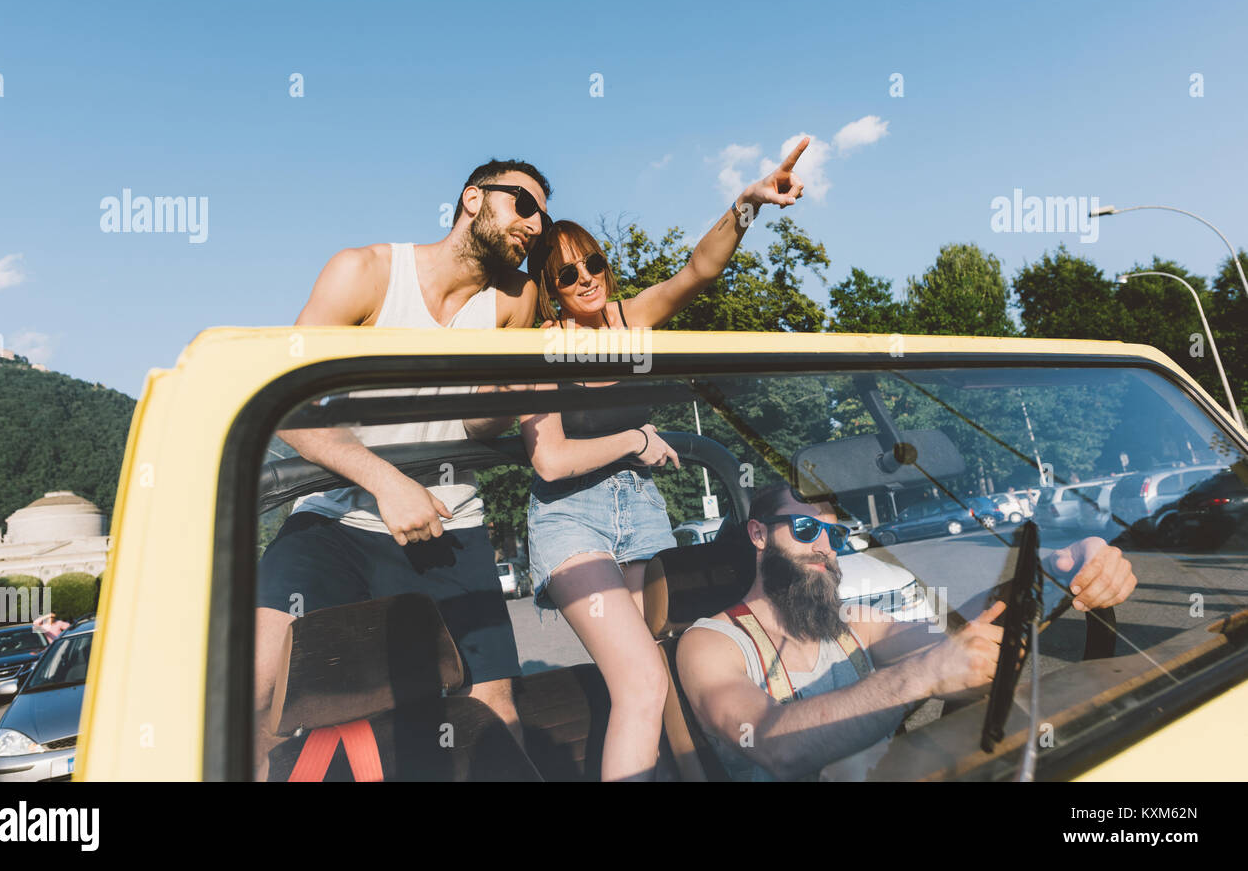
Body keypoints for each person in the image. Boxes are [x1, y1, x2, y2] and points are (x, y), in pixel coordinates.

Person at [518, 138, 812, 781]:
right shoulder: (540, 346)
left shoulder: (629, 322)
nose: (585, 278)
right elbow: (551, 462)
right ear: (550, 287)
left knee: (651, 665)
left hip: (639, 512)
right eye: (566, 273)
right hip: (571, 520)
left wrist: (746, 203)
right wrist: (633, 440)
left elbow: (697, 272)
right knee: (642, 683)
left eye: (591, 262)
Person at [253, 158, 551, 779]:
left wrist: (513, 394)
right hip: (335, 520)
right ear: (473, 199)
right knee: (254, 689)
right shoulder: (365, 273)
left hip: (450, 521)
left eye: (543, 216)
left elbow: (479, 427)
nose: (535, 223)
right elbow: (284, 403)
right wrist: (386, 481)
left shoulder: (513, 302)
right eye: (524, 205)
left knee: (494, 708)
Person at [676, 482, 1139, 781]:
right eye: (804, 529)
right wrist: (921, 676)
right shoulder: (712, 644)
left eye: (835, 537)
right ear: (758, 534)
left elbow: (957, 632)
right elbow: (777, 746)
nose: (824, 549)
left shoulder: (852, 623)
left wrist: (1063, 566)